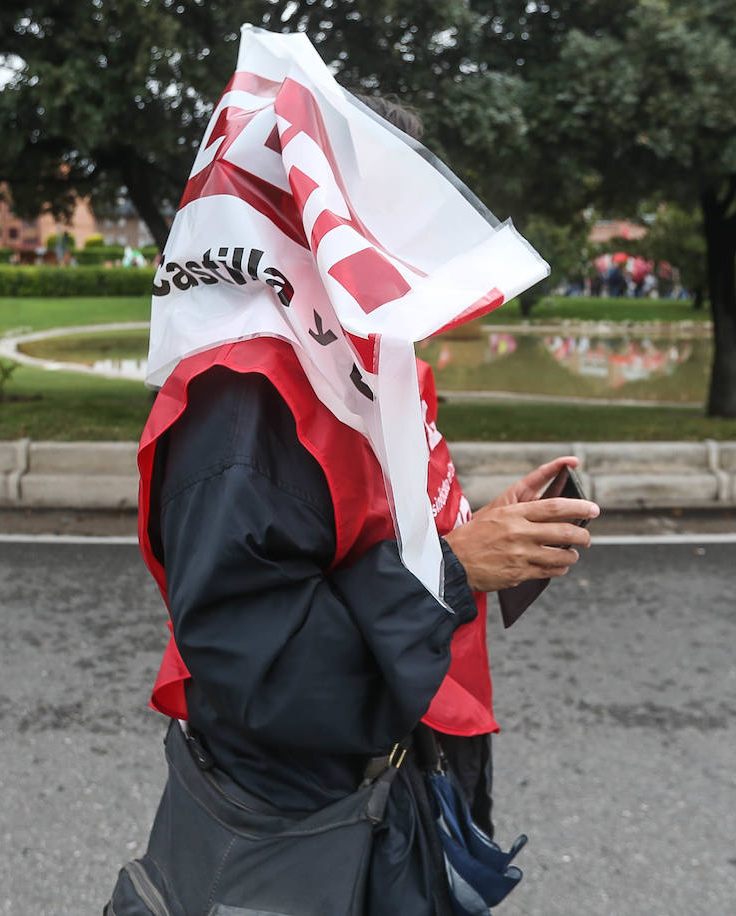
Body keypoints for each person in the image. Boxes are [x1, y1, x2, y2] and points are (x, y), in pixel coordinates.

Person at [115, 91, 599, 916]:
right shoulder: (245, 406)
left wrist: (470, 528)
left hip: (393, 787)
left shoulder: (353, 354)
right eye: (387, 202)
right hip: (306, 825)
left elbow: (374, 533)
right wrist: (454, 569)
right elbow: (260, 681)